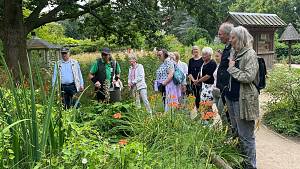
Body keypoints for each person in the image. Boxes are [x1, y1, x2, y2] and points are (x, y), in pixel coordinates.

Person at [227, 26, 259, 169]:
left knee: (246, 136)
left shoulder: (250, 54)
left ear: (240, 38)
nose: (230, 40)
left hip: (244, 101)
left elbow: (249, 76)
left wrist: (232, 68)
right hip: (233, 99)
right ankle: (241, 163)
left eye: (232, 37)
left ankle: (251, 166)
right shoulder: (235, 52)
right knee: (237, 134)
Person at [217, 22, 234, 130]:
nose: (219, 36)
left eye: (220, 34)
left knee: (228, 114)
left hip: (228, 88)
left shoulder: (233, 48)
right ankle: (229, 135)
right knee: (224, 112)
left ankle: (232, 137)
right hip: (223, 88)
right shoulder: (227, 48)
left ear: (227, 35)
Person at [212, 49, 226, 124]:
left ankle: (228, 131)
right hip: (215, 90)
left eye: (217, 56)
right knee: (220, 113)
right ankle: (225, 130)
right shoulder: (217, 65)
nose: (216, 58)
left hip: (221, 91)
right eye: (215, 56)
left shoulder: (224, 67)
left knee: (222, 111)